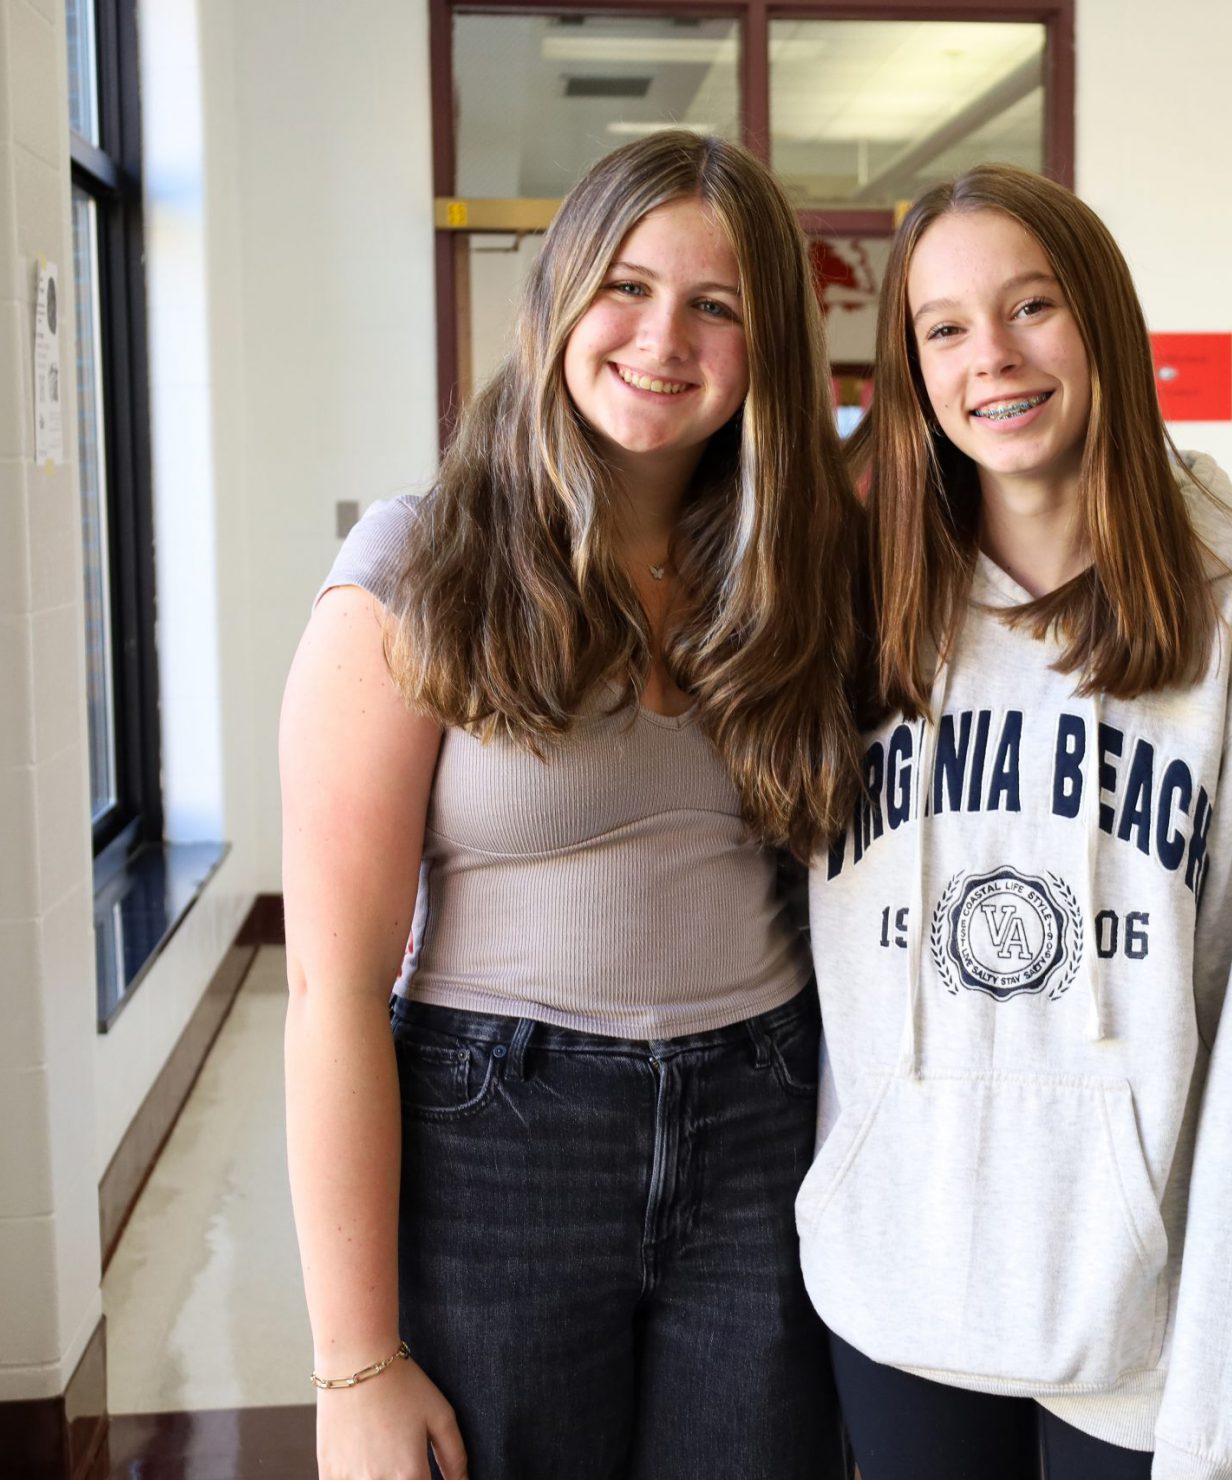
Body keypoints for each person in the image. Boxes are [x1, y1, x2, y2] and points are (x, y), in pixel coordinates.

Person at [279, 130, 861, 1480]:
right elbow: (329, 990)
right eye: (628, 287)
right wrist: (352, 1366)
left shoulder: (791, 573)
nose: (666, 337)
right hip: (499, 1140)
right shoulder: (415, 567)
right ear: (552, 304)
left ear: (767, 344)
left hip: (765, 1124)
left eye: (716, 306)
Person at [799, 164, 1232, 1480]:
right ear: (910, 367)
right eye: (944, 327)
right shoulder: (853, 602)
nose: (993, 356)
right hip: (898, 1297)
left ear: (1102, 322)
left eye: (1031, 305)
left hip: (1137, 1319)